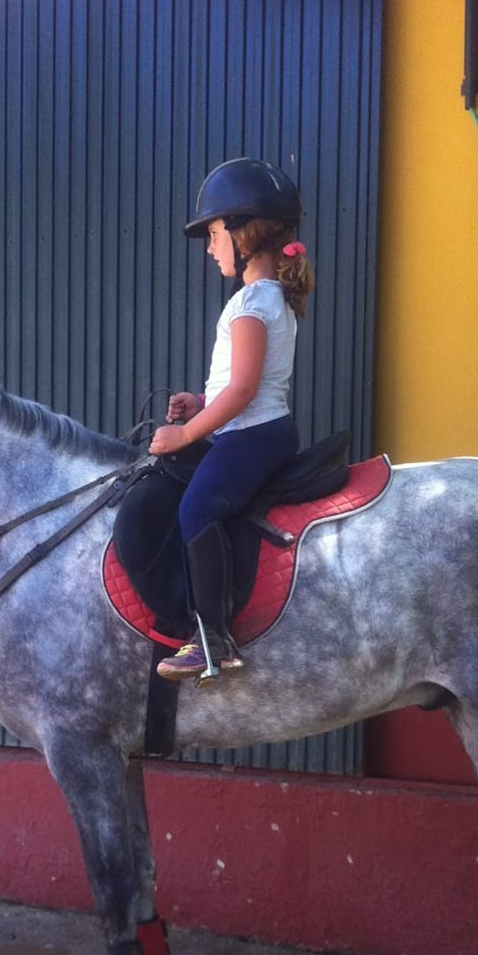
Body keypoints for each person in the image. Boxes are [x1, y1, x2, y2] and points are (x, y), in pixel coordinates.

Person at [150, 156, 315, 682]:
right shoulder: (271, 299)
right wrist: (201, 402)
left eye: (215, 233)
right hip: (259, 428)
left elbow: (243, 390)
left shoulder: (250, 303)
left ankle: (212, 640)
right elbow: (240, 384)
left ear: (246, 235)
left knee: (197, 510)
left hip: (251, 435)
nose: (210, 247)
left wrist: (184, 434)